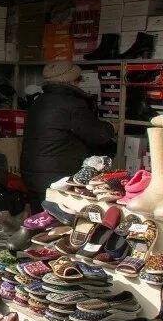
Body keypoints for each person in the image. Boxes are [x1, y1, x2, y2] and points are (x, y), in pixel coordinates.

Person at [20, 61, 115, 213]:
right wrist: (111, 127)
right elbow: (99, 135)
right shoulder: (72, 105)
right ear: (69, 81)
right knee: (60, 223)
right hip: (57, 176)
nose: (80, 83)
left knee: (40, 221)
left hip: (32, 173)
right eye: (78, 79)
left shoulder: (39, 101)